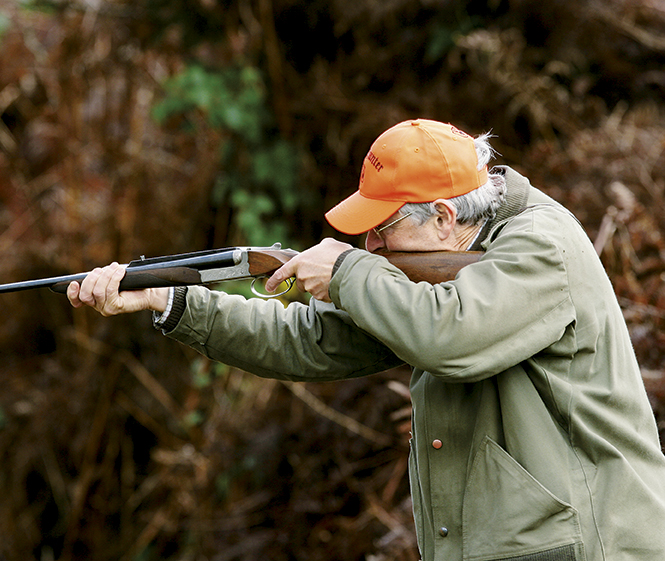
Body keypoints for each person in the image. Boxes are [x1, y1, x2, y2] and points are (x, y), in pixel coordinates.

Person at [67, 119, 665, 560]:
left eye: (380, 231)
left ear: (443, 218)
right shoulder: (423, 279)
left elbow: (451, 338)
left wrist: (349, 274)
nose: (371, 248)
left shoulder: (542, 244)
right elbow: (309, 340)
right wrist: (170, 301)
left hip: (594, 546)